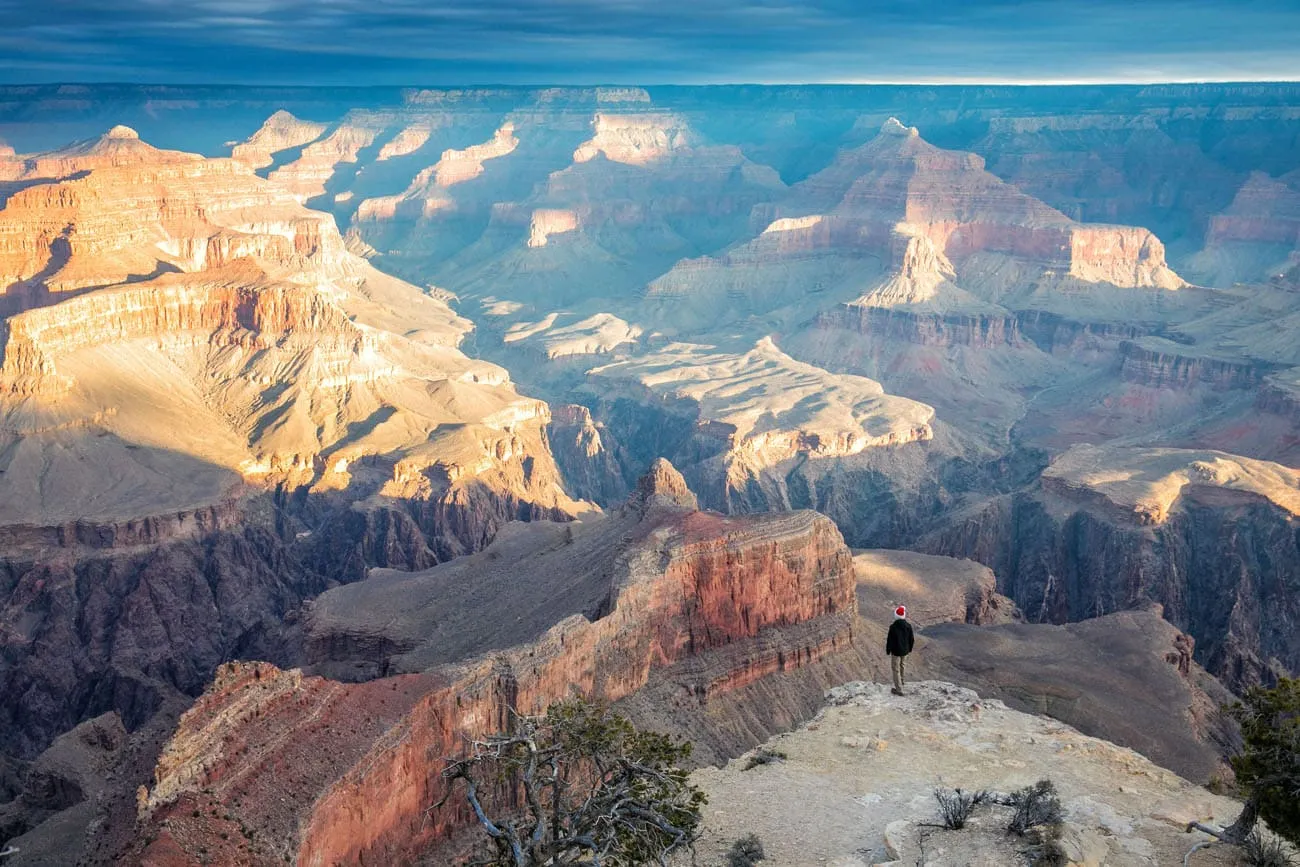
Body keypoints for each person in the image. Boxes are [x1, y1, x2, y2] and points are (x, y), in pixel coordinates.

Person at [885, 605, 914, 696]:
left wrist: (888, 650)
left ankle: (899, 689)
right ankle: (902, 681)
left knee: (895, 669)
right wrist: (910, 648)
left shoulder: (893, 627)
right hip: (905, 651)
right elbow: (911, 639)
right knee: (903, 665)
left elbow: (890, 640)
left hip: (896, 651)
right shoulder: (908, 626)